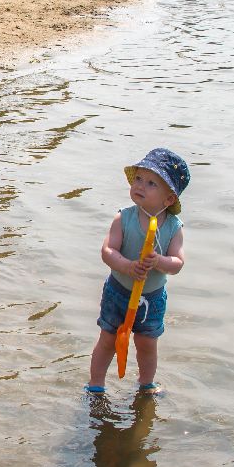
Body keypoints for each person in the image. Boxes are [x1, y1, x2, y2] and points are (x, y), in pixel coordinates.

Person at [86, 148, 189, 395]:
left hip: (151, 299)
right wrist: (127, 266)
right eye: (139, 179)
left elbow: (177, 263)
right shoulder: (124, 218)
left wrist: (159, 261)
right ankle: (96, 384)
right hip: (118, 292)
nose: (140, 185)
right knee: (108, 339)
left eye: (151, 183)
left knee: (146, 344)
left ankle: (146, 384)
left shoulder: (173, 227)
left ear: (169, 199)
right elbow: (107, 251)